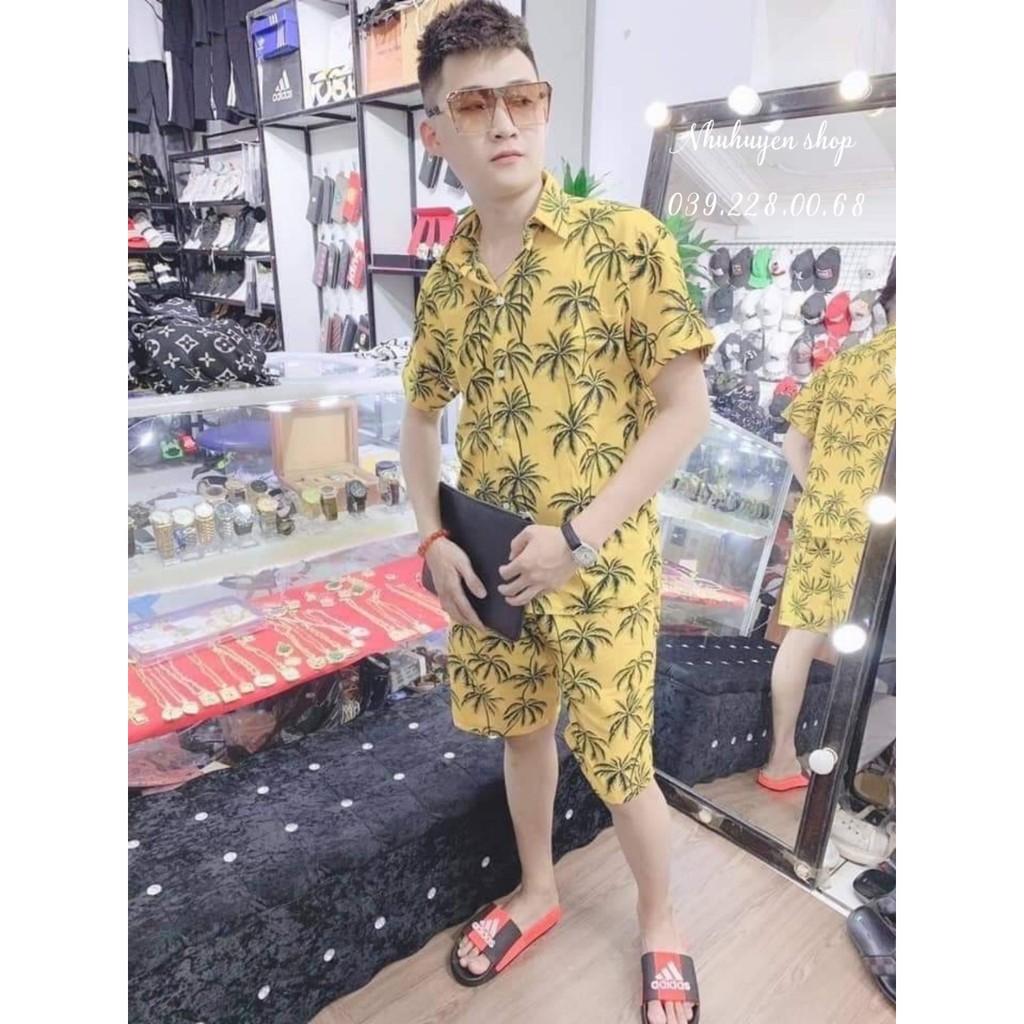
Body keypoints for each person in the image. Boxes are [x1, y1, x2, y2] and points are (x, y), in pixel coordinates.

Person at [399, 3, 712, 1020]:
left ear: (543, 104)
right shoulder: (446, 279)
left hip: (601, 566)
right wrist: (431, 536)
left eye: (522, 97)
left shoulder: (625, 244)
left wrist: (580, 536)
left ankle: (660, 921)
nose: (503, 122)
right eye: (473, 105)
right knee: (520, 732)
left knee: (620, 761)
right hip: (493, 562)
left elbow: (686, 410)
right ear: (435, 130)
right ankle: (538, 890)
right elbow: (419, 418)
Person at [758, 258, 896, 793]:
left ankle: (780, 760)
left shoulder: (846, 364)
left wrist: (822, 489)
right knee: (876, 651)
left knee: (801, 638)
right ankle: (849, 772)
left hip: (824, 518)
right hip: (881, 533)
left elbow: (793, 441)